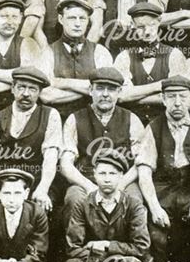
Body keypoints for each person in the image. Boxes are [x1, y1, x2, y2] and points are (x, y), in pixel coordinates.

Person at [136, 76, 190, 262]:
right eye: (171, 97)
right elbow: (144, 171)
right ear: (163, 100)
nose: (177, 103)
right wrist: (155, 207)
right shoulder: (153, 127)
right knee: (157, 240)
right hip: (162, 192)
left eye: (183, 97)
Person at [58, 67, 144, 233]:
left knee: (134, 200)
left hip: (122, 179)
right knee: (74, 199)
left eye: (111, 89)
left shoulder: (131, 119)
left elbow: (141, 163)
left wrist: (121, 184)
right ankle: (76, 253)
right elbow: (66, 164)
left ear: (119, 92)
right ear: (91, 90)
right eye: (99, 88)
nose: (105, 94)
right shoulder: (75, 119)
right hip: (86, 179)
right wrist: (88, 186)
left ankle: (134, 253)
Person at [0, 67, 61, 216]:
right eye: (21, 87)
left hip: (36, 180)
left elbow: (51, 157)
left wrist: (43, 189)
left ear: (39, 92)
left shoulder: (50, 115)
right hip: (5, 182)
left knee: (39, 210)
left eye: (32, 89)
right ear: (12, 88)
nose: (26, 93)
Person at [33, 0, 115, 120]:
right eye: (72, 18)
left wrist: (60, 82)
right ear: (61, 19)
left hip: (92, 121)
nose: (77, 24)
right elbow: (46, 95)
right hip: (58, 120)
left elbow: (106, 91)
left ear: (88, 21)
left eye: (82, 18)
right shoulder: (48, 52)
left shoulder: (100, 52)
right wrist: (91, 88)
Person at [112, 1, 190, 124]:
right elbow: (121, 96)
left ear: (159, 22)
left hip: (165, 125)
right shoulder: (124, 57)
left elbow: (177, 97)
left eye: (152, 25)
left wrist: (134, 95)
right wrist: (161, 85)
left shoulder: (175, 55)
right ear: (132, 25)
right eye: (141, 27)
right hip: (132, 124)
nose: (147, 32)